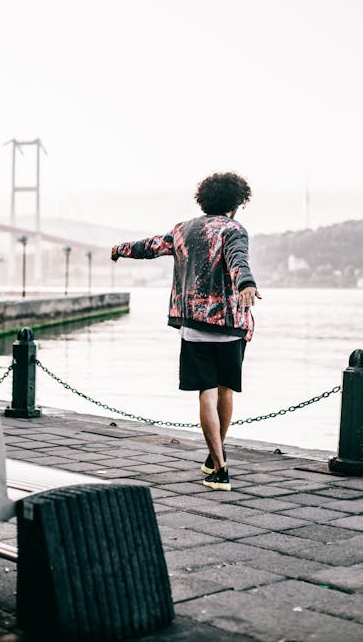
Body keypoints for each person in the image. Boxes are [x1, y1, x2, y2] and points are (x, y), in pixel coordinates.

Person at [111, 172, 261, 491]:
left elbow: (149, 246)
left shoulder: (183, 230)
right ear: (237, 202)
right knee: (225, 390)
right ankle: (216, 460)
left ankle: (218, 466)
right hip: (231, 325)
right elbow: (239, 261)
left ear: (204, 199)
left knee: (205, 393)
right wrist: (246, 284)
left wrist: (121, 248)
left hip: (194, 325)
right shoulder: (234, 229)